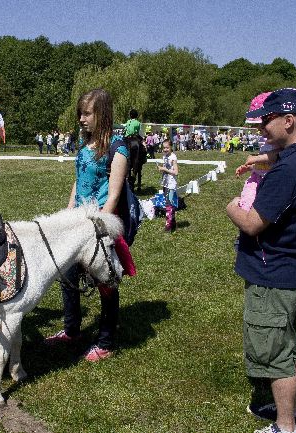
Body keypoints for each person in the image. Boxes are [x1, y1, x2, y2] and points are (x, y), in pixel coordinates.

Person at [226, 88, 296, 433]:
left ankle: (284, 425)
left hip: (272, 272)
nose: (262, 129)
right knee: (290, 346)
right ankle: (284, 408)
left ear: (288, 121)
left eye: (266, 121)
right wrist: (263, 161)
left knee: (275, 358)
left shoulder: (288, 171)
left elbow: (252, 222)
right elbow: (284, 165)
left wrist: (231, 205)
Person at [44, 88, 136, 361]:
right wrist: (69, 213)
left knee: (105, 282)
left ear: (102, 115)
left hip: (99, 225)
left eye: (86, 113)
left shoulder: (117, 149)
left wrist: (100, 230)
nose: (81, 119)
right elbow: (79, 180)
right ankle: (72, 330)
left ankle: (106, 342)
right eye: (79, 113)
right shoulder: (84, 147)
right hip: (78, 222)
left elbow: (114, 194)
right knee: (68, 275)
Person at [234, 92, 282, 211]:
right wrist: (251, 167)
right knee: (247, 204)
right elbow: (265, 163)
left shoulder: (279, 140)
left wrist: (255, 158)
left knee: (264, 209)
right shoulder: (265, 140)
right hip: (257, 177)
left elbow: (277, 155)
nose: (259, 130)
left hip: (272, 181)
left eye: (261, 125)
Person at [157, 140, 179, 232]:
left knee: (169, 204)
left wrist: (165, 169)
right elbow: (165, 168)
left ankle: (168, 225)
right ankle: (173, 222)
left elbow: (176, 172)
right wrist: (161, 169)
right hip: (165, 183)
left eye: (167, 147)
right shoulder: (165, 156)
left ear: (171, 147)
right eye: (164, 147)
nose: (165, 149)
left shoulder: (173, 157)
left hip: (171, 184)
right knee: (168, 202)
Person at [124, 109, 145, 191]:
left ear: (130, 115)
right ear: (136, 116)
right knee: (144, 147)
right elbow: (139, 132)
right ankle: (144, 157)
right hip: (136, 137)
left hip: (127, 137)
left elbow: (126, 130)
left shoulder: (128, 122)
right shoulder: (138, 123)